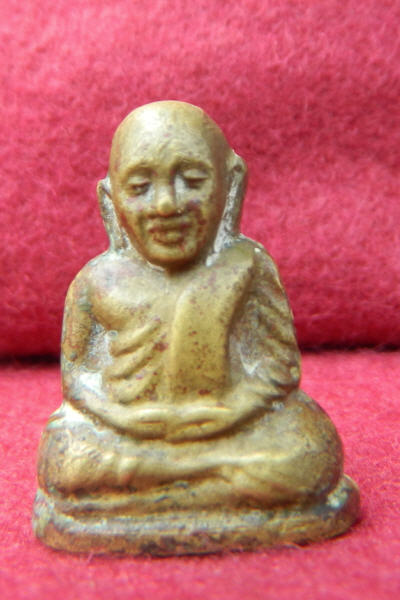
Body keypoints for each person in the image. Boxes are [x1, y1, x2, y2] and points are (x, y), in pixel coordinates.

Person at [33, 101, 358, 554]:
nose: (166, 205)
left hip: (230, 425)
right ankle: (204, 479)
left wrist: (234, 410)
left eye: (192, 180)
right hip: (128, 433)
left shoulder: (247, 266)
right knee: (65, 455)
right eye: (140, 187)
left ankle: (157, 486)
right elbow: (78, 379)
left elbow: (278, 369)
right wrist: (121, 417)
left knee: (310, 449)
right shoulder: (97, 280)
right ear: (110, 199)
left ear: (231, 185)